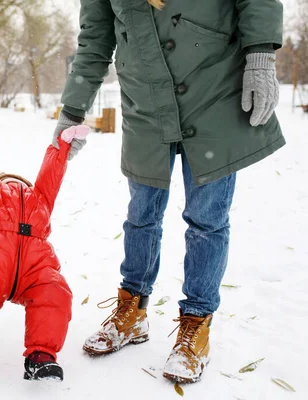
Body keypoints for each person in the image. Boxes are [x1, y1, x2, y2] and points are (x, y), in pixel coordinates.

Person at [55, 0, 284, 383]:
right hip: (146, 103)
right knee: (141, 216)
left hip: (214, 90)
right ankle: (133, 312)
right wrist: (72, 109)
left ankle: (197, 324)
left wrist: (261, 54)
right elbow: (95, 36)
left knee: (207, 220)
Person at [0, 124, 89, 397]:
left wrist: (61, 146)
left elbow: (52, 175)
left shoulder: (40, 198)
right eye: (8, 179)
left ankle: (41, 357)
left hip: (34, 266)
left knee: (55, 292)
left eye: (20, 181)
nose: (16, 184)